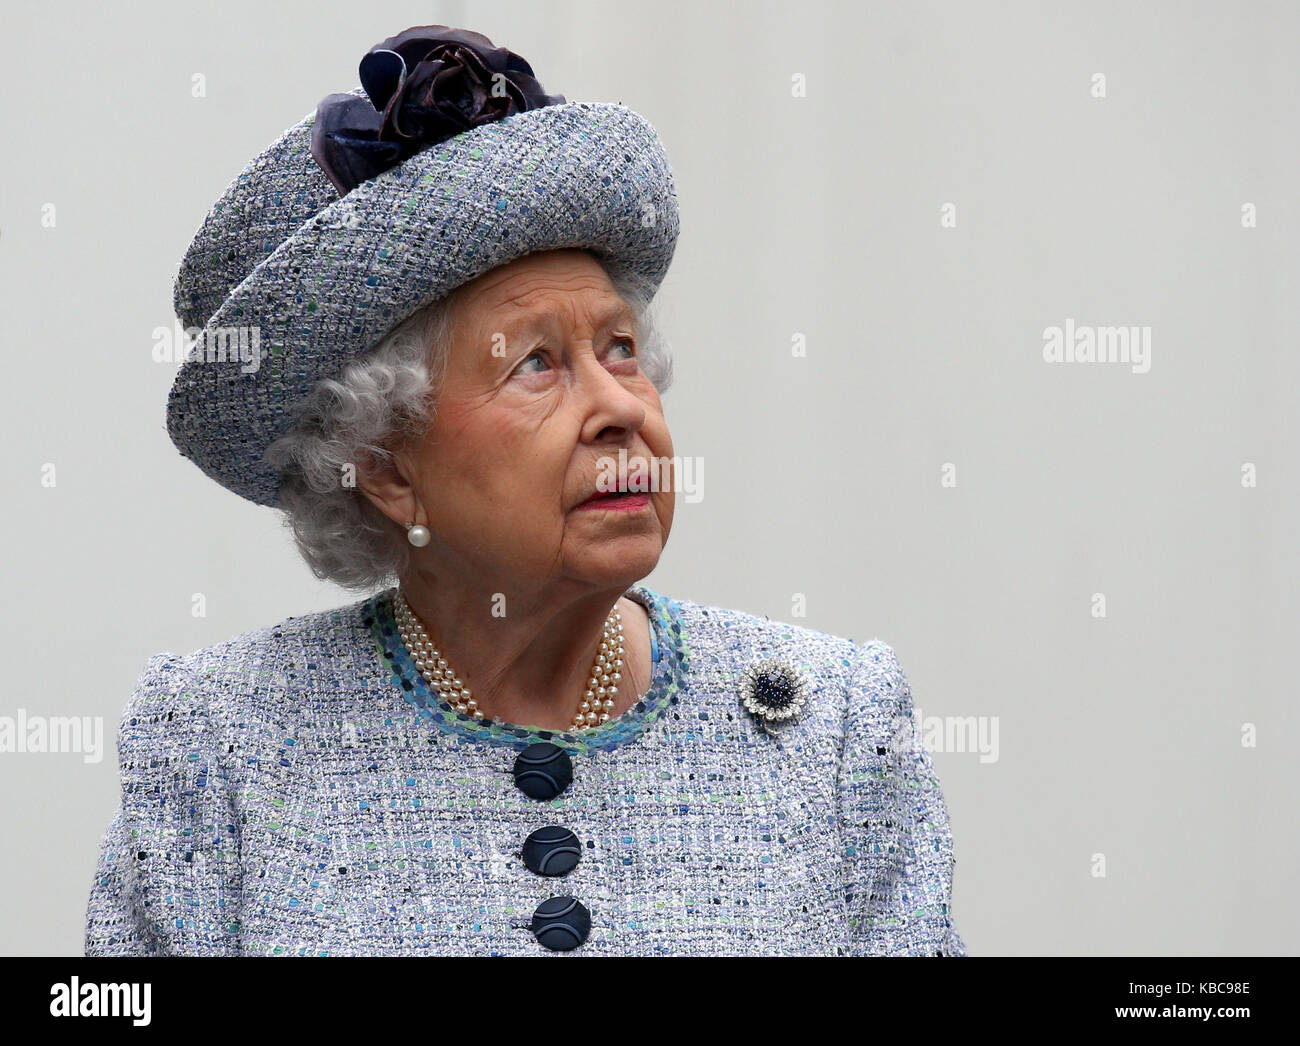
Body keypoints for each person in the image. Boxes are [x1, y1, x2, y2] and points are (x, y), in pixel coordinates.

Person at [83, 23, 966, 956]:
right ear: (385, 467)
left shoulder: (832, 730)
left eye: (619, 348)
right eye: (537, 364)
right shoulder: (223, 747)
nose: (620, 407)